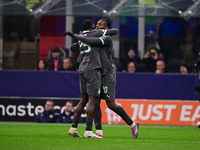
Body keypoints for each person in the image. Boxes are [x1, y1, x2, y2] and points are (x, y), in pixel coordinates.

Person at [66, 18, 139, 139]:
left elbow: (91, 42)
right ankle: (99, 131)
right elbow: (87, 42)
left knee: (110, 104)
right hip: (97, 71)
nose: (97, 25)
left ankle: (132, 124)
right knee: (95, 102)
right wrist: (77, 45)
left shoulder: (106, 38)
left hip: (107, 73)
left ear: (106, 27)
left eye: (100, 23)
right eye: (97, 23)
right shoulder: (95, 35)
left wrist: (77, 38)